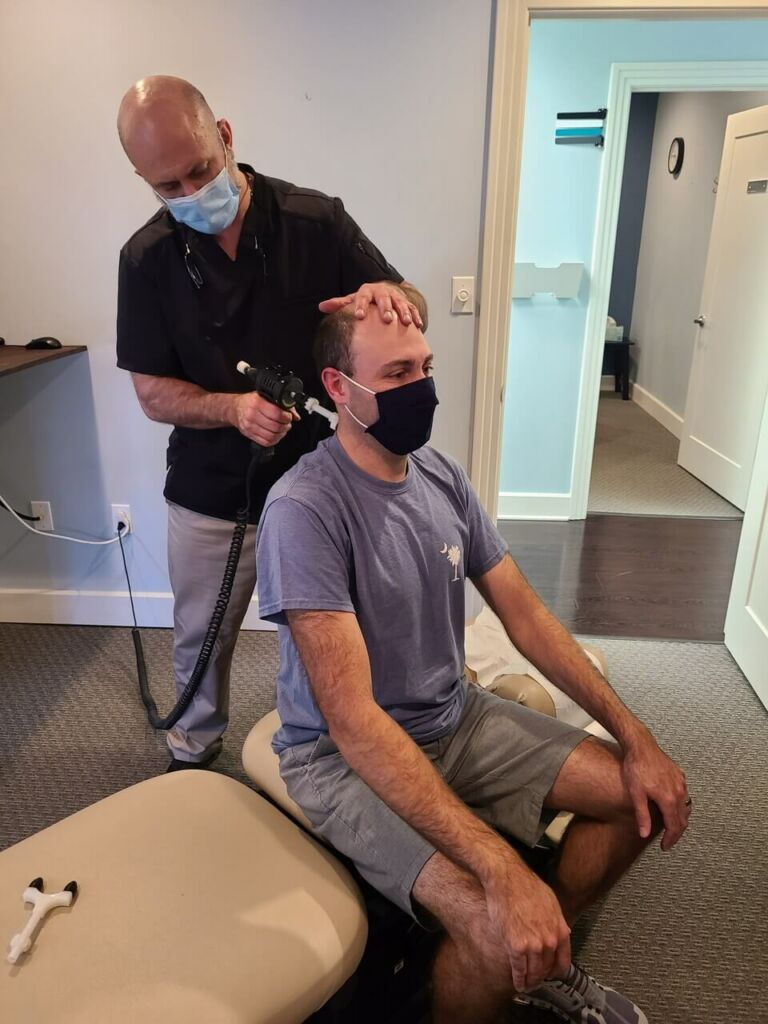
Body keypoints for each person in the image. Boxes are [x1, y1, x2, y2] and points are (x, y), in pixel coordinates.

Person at [255, 292, 692, 1024]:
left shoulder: (442, 477)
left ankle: (541, 956)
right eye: (397, 374)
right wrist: (501, 871)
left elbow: (527, 617)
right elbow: (355, 723)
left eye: (425, 367)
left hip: (455, 716)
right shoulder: (304, 509)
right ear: (339, 389)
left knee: (636, 799)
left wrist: (636, 738)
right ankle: (501, 945)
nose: (421, 389)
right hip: (340, 758)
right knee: (491, 920)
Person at [115, 75, 421, 771]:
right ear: (142, 178)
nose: (193, 193)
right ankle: (192, 751)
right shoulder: (146, 259)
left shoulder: (314, 221)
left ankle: (323, 754)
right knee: (202, 635)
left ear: (225, 135)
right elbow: (152, 393)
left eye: (201, 169)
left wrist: (392, 297)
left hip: (324, 478)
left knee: (326, 637)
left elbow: (409, 307)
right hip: (210, 481)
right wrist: (230, 409)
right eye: (169, 185)